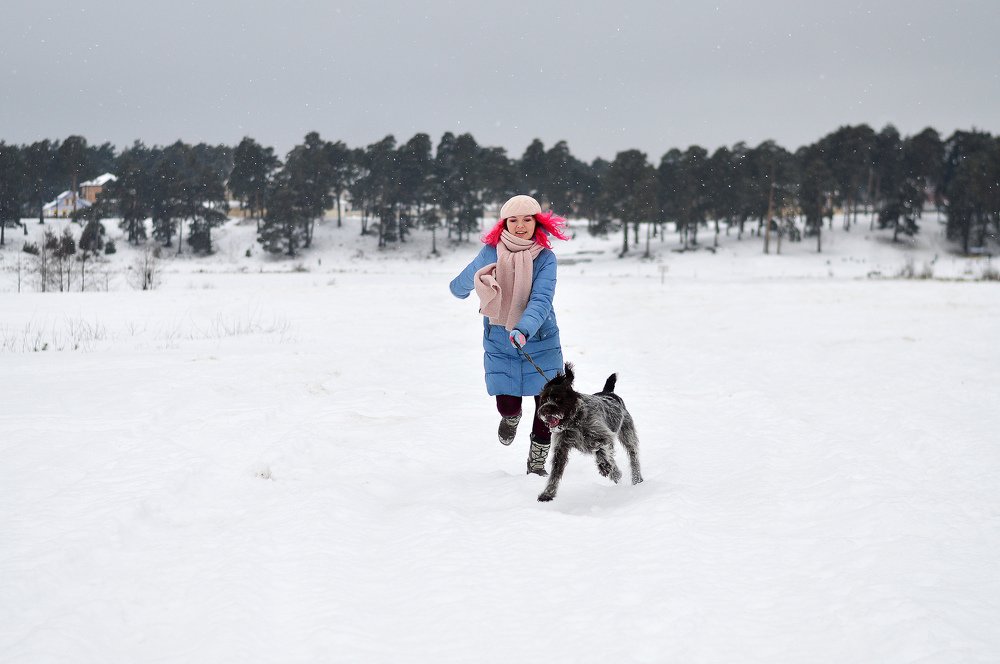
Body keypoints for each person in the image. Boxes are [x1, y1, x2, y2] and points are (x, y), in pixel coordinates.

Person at [449, 194, 570, 475]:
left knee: (548, 406)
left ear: (537, 222)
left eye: (527, 219)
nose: (520, 226)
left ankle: (537, 461)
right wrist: (471, 283)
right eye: (513, 220)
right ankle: (512, 418)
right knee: (507, 404)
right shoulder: (491, 252)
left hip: (539, 338)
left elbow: (541, 299)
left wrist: (524, 328)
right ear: (503, 223)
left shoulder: (545, 258)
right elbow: (462, 282)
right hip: (499, 339)